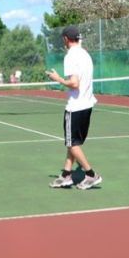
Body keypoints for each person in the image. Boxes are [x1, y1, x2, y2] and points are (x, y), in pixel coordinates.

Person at [45, 26, 102, 190]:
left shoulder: (71, 56)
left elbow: (74, 83)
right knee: (73, 142)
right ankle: (66, 175)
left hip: (75, 107)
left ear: (65, 39)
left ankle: (91, 175)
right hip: (87, 105)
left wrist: (58, 79)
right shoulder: (85, 55)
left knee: (72, 144)